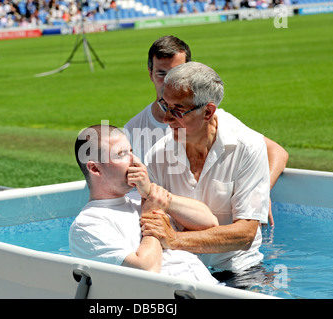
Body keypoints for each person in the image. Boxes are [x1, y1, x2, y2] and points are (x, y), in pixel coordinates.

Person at [123, 35, 288, 225]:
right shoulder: (134, 129)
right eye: (162, 73)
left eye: (176, 71)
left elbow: (276, 152)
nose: (169, 79)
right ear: (150, 74)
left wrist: (257, 192)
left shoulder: (215, 121)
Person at [141, 62, 271, 288]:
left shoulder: (248, 147)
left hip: (238, 271)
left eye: (178, 110)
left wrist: (174, 239)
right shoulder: (157, 155)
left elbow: (245, 234)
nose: (166, 119)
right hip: (179, 269)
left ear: (208, 112)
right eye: (165, 106)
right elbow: (152, 221)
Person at [69, 124, 220, 284]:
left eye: (131, 152)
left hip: (216, 289)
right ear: (95, 168)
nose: (136, 161)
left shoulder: (142, 198)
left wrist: (151, 193)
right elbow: (147, 272)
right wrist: (152, 216)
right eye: (121, 154)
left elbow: (210, 223)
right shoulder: (87, 225)